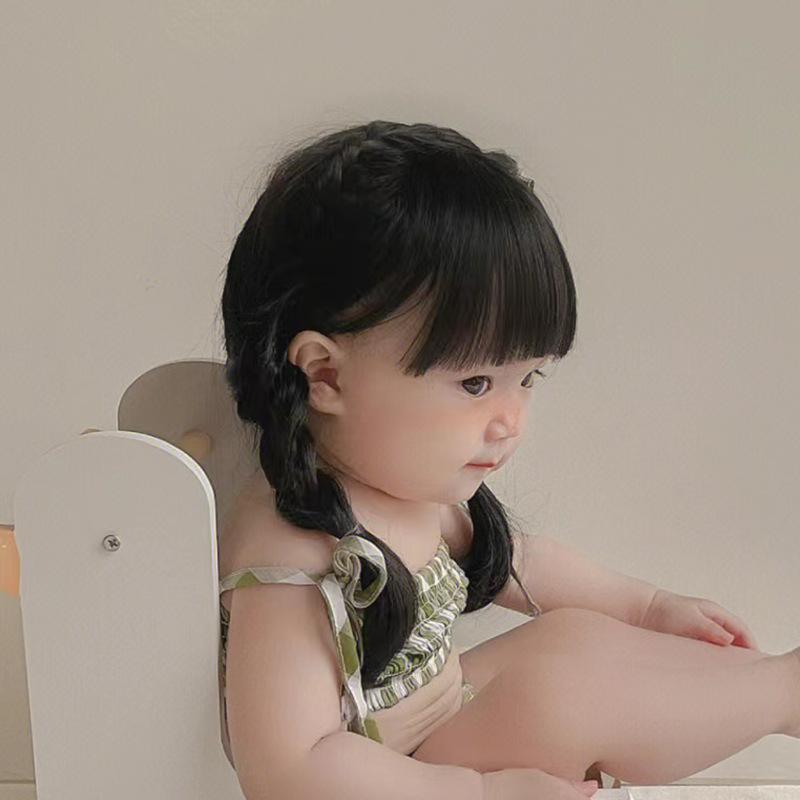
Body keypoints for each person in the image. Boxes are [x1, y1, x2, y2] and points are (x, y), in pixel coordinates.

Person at [216, 120, 800, 800]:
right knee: (560, 695)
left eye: (527, 379)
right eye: (475, 384)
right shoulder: (293, 559)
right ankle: (783, 693)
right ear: (326, 374)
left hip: (444, 725)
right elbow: (289, 770)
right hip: (398, 780)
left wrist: (647, 606)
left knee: (572, 638)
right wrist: (482, 792)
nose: (511, 421)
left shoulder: (405, 491)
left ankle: (776, 688)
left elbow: (524, 562)